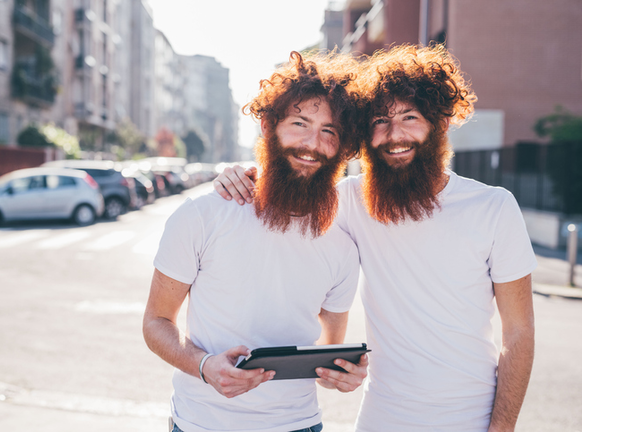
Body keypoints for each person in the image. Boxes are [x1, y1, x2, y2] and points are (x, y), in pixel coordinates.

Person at [214, 44, 537, 431]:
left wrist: (501, 428)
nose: (394, 134)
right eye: (380, 121)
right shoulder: (350, 201)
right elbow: (292, 184)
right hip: (380, 419)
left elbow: (518, 333)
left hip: (469, 418)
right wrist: (239, 175)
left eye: (410, 117)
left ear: (441, 123)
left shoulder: (493, 207)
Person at [143, 51, 369, 432]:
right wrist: (202, 364)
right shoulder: (204, 215)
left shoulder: (344, 245)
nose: (312, 143)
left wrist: (341, 375)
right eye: (300, 123)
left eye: (329, 131)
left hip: (299, 425)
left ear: (342, 147)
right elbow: (156, 321)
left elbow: (327, 352)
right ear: (268, 126)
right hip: (201, 425)